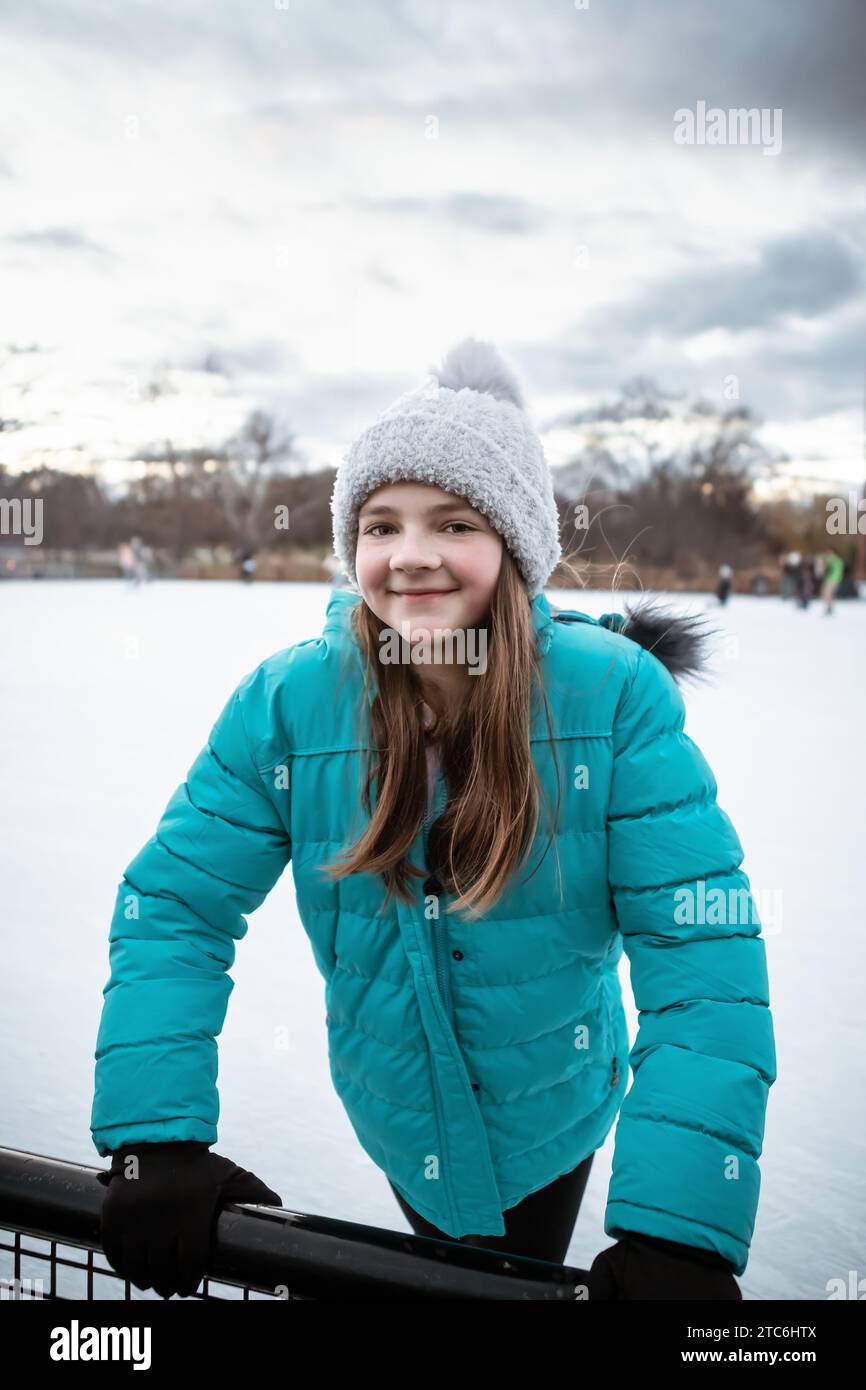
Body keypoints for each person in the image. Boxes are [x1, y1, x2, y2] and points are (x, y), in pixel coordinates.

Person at [91, 338, 775, 1300]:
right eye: (379, 525)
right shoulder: (289, 702)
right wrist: (150, 1138)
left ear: (514, 544)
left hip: (554, 1107)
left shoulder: (610, 699)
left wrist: (682, 1227)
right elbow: (172, 905)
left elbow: (705, 956)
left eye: (452, 521)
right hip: (397, 1110)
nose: (409, 555)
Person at [821, 548, 844, 614]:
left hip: (832, 579)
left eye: (829, 552)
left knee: (827, 593)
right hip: (834, 579)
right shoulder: (839, 560)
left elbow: (826, 569)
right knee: (829, 593)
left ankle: (829, 607)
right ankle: (829, 607)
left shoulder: (831, 560)